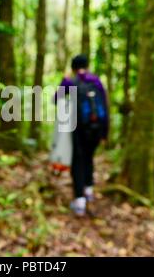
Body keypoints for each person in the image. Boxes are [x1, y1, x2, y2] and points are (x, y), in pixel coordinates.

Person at [56, 55, 109, 217]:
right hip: (96, 129)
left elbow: (56, 99)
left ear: (73, 67)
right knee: (89, 158)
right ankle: (89, 190)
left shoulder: (71, 82)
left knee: (78, 161)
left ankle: (79, 201)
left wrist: (63, 82)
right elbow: (105, 108)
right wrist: (105, 133)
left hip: (78, 129)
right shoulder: (97, 82)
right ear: (87, 65)